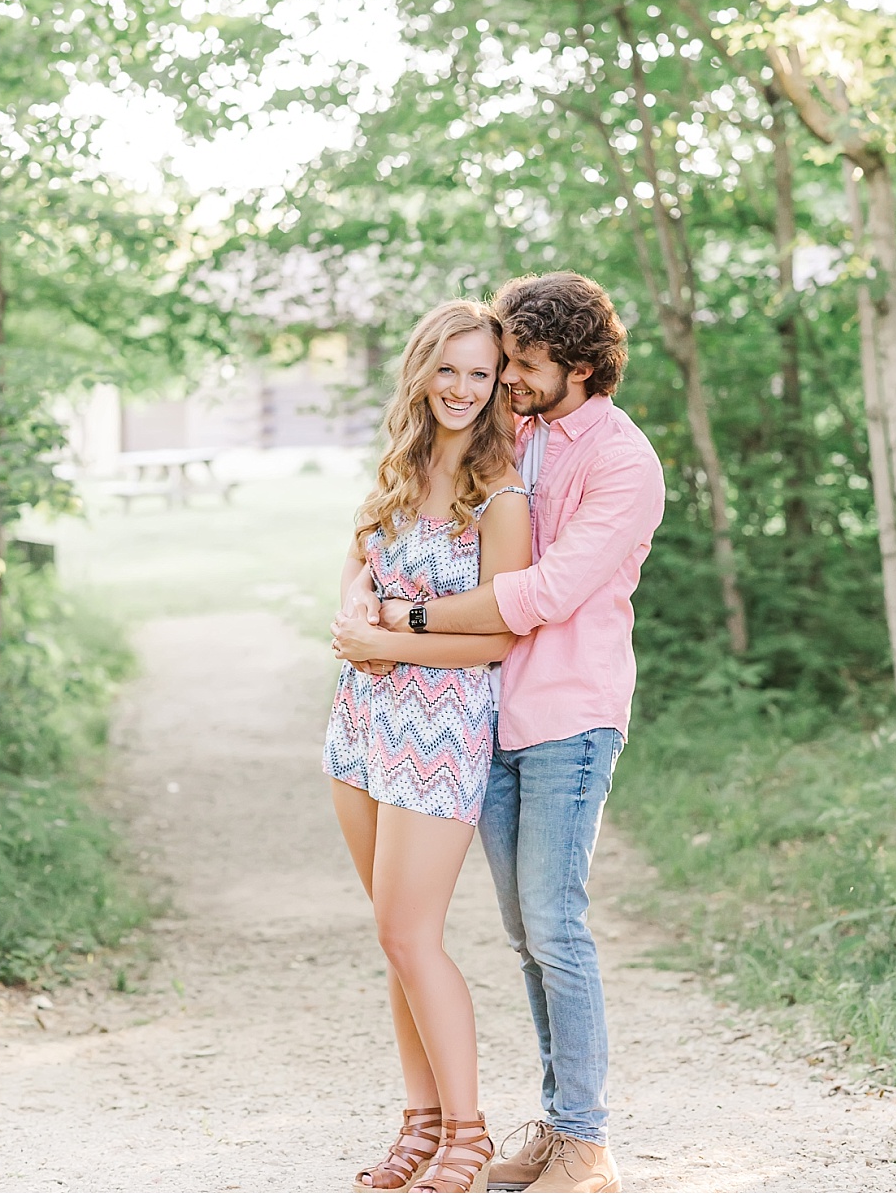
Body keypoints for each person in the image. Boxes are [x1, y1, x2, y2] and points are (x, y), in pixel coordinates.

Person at [353, 271, 665, 1194]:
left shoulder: (623, 462)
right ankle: (556, 1125)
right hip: (487, 714)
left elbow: (541, 595)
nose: (509, 379)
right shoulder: (516, 431)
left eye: (525, 365)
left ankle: (587, 1143)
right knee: (526, 933)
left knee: (557, 927)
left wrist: (404, 621)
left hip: (569, 715)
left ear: (579, 366)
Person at [326, 300, 531, 1193]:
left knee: (416, 933)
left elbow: (493, 639)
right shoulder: (397, 475)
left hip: (443, 732)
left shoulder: (504, 495)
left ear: (497, 387)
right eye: (447, 369)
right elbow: (354, 586)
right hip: (362, 724)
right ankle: (421, 1122)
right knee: (391, 936)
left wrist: (384, 641)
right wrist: (355, 619)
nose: (460, 387)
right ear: (422, 372)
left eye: (479, 373)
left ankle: (470, 1132)